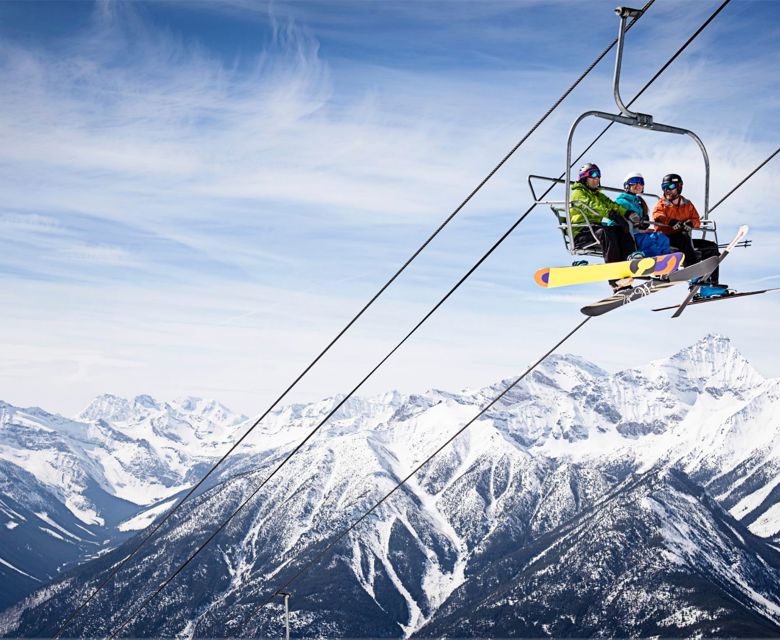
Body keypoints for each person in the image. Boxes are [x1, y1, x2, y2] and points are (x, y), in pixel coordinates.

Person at [651, 173, 723, 286]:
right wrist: (671, 222)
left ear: (679, 186)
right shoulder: (662, 204)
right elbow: (657, 216)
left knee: (711, 247)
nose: (667, 190)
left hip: (685, 241)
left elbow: (696, 220)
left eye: (670, 186)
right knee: (683, 237)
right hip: (666, 239)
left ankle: (712, 283)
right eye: (664, 187)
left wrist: (690, 223)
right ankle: (693, 272)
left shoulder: (687, 204)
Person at [570, 163, 639, 270]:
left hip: (595, 229)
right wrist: (611, 215)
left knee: (622, 230)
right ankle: (614, 271)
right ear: (584, 178)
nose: (596, 179)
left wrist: (627, 213)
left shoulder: (598, 195)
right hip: (582, 233)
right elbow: (591, 206)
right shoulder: (578, 193)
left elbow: (612, 205)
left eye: (598, 176)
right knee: (606, 233)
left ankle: (629, 261)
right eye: (592, 176)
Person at [615, 172, 671, 257]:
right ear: (627, 185)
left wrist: (644, 228)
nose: (638, 185)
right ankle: (642, 257)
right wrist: (636, 226)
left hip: (637, 232)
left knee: (661, 237)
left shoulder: (639, 203)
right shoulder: (621, 202)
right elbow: (618, 221)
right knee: (646, 240)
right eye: (634, 182)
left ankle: (666, 262)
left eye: (641, 182)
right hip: (627, 233)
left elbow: (640, 225)